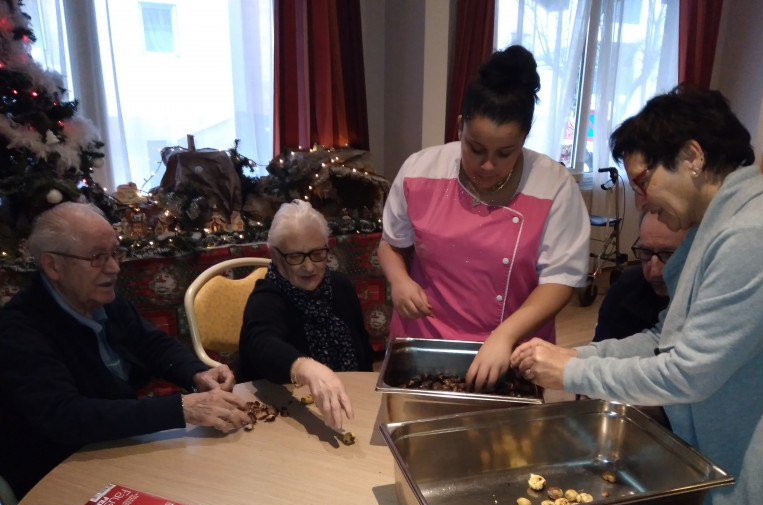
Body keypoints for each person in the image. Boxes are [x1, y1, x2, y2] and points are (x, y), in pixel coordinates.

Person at [511, 85, 763, 505]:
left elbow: (687, 371)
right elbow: (664, 338)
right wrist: (581, 353)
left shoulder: (755, 233)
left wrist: (571, 372)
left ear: (692, 156)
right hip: (721, 458)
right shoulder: (720, 225)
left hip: (756, 475)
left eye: (643, 181)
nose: (641, 200)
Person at [0, 202, 251, 501]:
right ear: (53, 265)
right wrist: (182, 409)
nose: (115, 268)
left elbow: (151, 343)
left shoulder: (104, 299)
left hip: (116, 448)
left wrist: (196, 373)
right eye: (97, 257)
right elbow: (67, 417)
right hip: (57, 474)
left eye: (116, 253)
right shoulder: (18, 329)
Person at [378, 45, 589, 391]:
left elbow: (560, 281)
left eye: (505, 153)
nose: (488, 165)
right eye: (475, 148)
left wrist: (504, 336)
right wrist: (399, 280)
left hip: (513, 345)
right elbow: (392, 245)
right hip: (426, 340)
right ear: (459, 127)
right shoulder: (420, 170)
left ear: (524, 137)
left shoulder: (555, 188)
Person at [238, 199, 373, 430]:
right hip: (282, 417)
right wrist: (305, 368)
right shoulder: (266, 297)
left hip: (348, 408)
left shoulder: (341, 286)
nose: (309, 267)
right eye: (296, 256)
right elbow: (262, 344)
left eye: (317, 253)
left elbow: (364, 355)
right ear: (275, 255)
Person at [593, 210, 687, 342]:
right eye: (646, 252)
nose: (655, 271)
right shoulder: (625, 289)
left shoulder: (710, 295)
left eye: (668, 255)